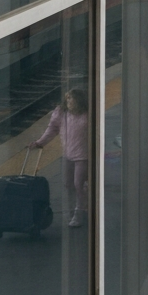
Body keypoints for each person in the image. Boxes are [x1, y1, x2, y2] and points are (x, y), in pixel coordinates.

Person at [31, 89, 90, 227]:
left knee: (78, 184)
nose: (69, 102)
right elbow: (52, 129)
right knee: (68, 184)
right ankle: (75, 207)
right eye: (67, 99)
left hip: (84, 155)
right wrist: (40, 143)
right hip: (68, 154)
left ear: (79, 101)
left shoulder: (87, 115)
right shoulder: (61, 113)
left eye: (72, 99)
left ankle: (78, 213)